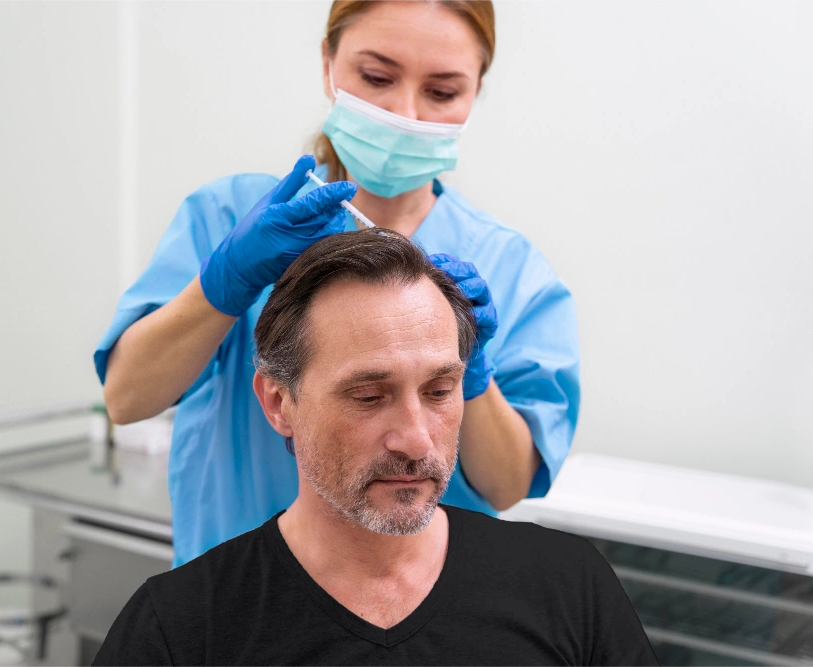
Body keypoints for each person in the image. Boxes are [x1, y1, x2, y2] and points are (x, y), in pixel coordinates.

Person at [96, 0, 580, 568]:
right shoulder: (231, 218)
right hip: (241, 589)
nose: (405, 113)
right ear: (329, 63)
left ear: (475, 92)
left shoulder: (511, 268)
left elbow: (506, 486)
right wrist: (227, 281)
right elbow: (127, 398)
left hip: (427, 602)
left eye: (442, 91)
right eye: (376, 77)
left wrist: (470, 374)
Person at [92, 231, 655, 666]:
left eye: (440, 391)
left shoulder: (569, 586)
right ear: (280, 403)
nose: (416, 439)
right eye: (368, 396)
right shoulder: (180, 628)